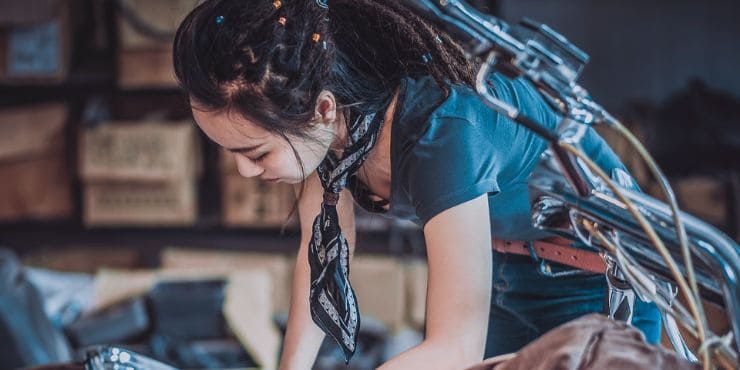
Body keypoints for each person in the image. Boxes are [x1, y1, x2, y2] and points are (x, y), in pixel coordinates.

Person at [173, 0, 661, 369]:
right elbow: (317, 256)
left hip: (596, 282)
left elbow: (455, 346)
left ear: (321, 109)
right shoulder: (334, 134)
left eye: (255, 153)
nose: (245, 173)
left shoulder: (441, 131)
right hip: (508, 272)